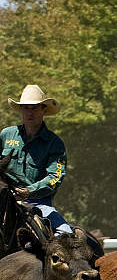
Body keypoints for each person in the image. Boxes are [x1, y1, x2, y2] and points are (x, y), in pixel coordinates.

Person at [1, 85, 72, 235]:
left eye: (34, 108)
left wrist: (29, 191)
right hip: (4, 203)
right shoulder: (6, 135)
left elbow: (55, 177)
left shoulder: (54, 143)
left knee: (65, 233)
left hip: (38, 205)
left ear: (44, 110)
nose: (29, 112)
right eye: (26, 108)